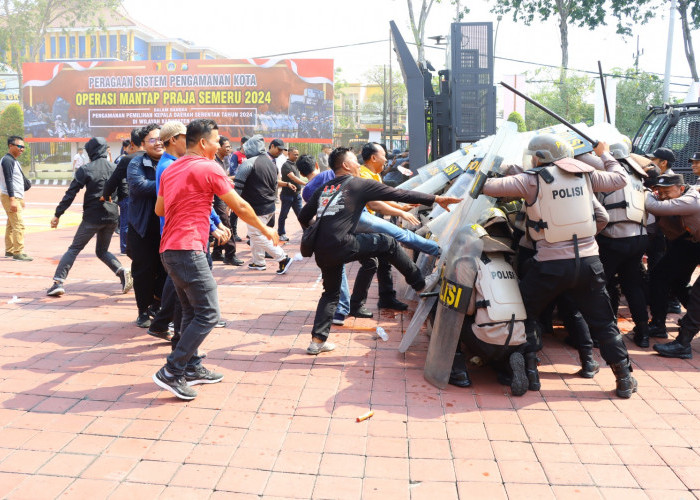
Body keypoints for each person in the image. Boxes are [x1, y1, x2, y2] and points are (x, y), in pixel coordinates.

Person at [482, 134, 637, 399]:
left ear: (540, 157)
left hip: (549, 266)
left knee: (526, 315)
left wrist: (485, 170)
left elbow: (489, 188)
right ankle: (624, 377)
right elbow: (620, 179)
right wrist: (604, 153)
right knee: (602, 322)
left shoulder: (531, 179)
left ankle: (530, 373)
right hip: (589, 264)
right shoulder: (587, 176)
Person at [153, 119, 279, 400]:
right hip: (188, 249)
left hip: (170, 250)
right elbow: (241, 206)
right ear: (203, 143)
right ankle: (172, 370)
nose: (220, 145)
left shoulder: (171, 169)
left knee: (190, 312)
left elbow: (160, 209)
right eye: (216, 140)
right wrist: (266, 229)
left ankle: (192, 367)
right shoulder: (209, 167)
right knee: (209, 314)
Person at [297, 147, 461, 355]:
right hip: (342, 244)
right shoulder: (358, 184)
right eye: (354, 161)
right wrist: (437, 199)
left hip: (322, 250)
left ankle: (316, 342)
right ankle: (421, 285)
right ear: (346, 165)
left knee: (330, 293)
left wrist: (321, 230)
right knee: (388, 243)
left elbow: (303, 217)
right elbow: (398, 193)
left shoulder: (324, 189)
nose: (358, 164)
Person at [350, 142, 441, 315]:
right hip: (361, 222)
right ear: (374, 157)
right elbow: (375, 204)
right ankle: (438, 252)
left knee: (380, 260)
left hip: (367, 219)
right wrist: (401, 212)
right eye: (384, 155)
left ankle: (383, 298)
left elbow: (383, 196)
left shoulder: (374, 174)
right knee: (396, 240)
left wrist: (401, 207)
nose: (387, 159)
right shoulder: (363, 175)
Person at [46, 137, 132, 296]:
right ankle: (121, 272)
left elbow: (70, 194)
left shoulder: (85, 169)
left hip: (92, 217)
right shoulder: (116, 168)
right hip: (112, 216)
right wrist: (113, 203)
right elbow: (125, 193)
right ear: (105, 149)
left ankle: (58, 282)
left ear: (90, 151)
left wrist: (58, 214)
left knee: (74, 248)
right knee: (102, 251)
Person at [595, 142, 650, 347]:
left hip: (614, 239)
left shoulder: (608, 175)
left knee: (599, 285)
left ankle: (603, 333)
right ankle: (643, 333)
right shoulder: (637, 175)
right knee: (632, 284)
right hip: (639, 239)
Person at [646, 173, 700, 359]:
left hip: (693, 243)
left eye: (667, 191)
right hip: (689, 244)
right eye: (660, 192)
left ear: (681, 189)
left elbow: (653, 206)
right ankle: (659, 325)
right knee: (670, 280)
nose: (663, 196)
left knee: (697, 296)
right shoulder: (672, 200)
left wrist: (645, 193)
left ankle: (682, 343)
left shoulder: (692, 198)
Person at [127, 123, 167, 328]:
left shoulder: (172, 161)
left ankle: (157, 304)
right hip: (142, 227)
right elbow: (139, 186)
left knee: (166, 269)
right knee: (143, 270)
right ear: (143, 144)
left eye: (161, 138)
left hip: (166, 226)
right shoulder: (136, 163)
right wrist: (168, 182)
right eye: (152, 139)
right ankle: (143, 310)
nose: (158, 142)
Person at [234, 136, 292, 274]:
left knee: (255, 235)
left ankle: (282, 258)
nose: (244, 150)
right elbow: (275, 184)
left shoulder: (249, 163)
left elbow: (238, 186)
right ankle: (258, 262)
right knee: (256, 233)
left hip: (258, 206)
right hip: (269, 205)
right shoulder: (270, 162)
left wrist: (234, 203)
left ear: (251, 147)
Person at [104, 129, 145, 255]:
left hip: (129, 195)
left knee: (126, 224)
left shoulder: (127, 159)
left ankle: (125, 248)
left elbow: (114, 179)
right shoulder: (154, 157)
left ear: (132, 143)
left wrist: (106, 194)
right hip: (150, 196)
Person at [212, 136, 242, 265]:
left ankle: (217, 253)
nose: (229, 149)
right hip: (215, 199)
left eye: (230, 146)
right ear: (219, 147)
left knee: (223, 223)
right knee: (226, 224)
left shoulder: (224, 161)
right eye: (227, 146)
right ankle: (230, 255)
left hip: (221, 197)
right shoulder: (214, 162)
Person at [1, 135, 32, 261]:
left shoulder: (13, 160)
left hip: (14, 197)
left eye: (23, 147)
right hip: (9, 197)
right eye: (19, 146)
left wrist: (20, 198)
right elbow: (8, 180)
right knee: (18, 224)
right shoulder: (7, 160)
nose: (22, 149)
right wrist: (13, 199)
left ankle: (10, 250)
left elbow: (17, 181)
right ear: (10, 146)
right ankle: (18, 252)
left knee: (11, 224)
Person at [278, 147, 305, 242]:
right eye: (295, 154)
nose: (297, 156)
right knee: (283, 215)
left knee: (301, 215)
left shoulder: (296, 165)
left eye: (297, 154)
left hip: (297, 195)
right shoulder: (286, 165)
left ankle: (306, 232)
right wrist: (306, 184)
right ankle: (281, 233)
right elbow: (293, 177)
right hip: (287, 195)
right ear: (289, 154)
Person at [228, 136, 248, 242]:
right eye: (246, 144)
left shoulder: (250, 155)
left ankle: (251, 233)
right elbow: (233, 171)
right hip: (238, 186)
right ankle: (233, 232)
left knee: (250, 209)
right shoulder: (236, 155)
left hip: (248, 186)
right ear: (242, 144)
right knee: (235, 210)